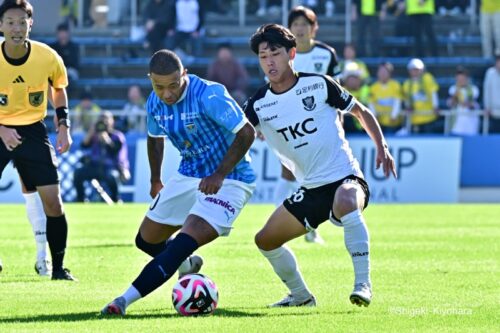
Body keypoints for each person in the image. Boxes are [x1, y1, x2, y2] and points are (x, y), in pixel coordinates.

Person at [244, 24, 397, 308]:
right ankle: (301, 296)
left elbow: (361, 112)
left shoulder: (319, 84)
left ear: (291, 54)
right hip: (312, 189)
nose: (269, 62)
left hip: (345, 177)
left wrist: (382, 146)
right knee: (265, 240)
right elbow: (238, 136)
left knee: (347, 199)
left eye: (274, 54)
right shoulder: (258, 104)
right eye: (263, 56)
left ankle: (363, 284)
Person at [101, 49, 256, 315]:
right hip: (188, 174)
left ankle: (123, 301)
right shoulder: (154, 101)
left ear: (184, 74)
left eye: (174, 85)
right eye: (159, 87)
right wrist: (155, 179)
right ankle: (186, 266)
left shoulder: (209, 94)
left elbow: (247, 132)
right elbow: (154, 138)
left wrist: (219, 174)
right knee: (146, 240)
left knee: (182, 242)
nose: (167, 93)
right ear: (151, 80)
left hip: (232, 178)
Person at [0, 0, 76, 281]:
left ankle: (58, 269)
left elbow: (59, 88)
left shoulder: (47, 56)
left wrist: (63, 125)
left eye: (22, 22)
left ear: (30, 24)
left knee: (53, 203)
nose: (16, 28)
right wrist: (1, 129)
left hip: (33, 131)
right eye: (10, 22)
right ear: (0, 26)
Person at [285, 5, 341, 244]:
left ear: (314, 28)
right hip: (290, 124)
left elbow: (337, 92)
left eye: (304, 25)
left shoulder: (326, 54)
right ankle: (290, 225)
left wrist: (338, 120)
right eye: (295, 25)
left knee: (317, 175)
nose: (300, 29)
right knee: (291, 174)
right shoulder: (284, 54)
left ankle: (310, 226)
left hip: (321, 124)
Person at [73, 111, 130, 203]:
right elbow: (83, 145)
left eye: (107, 119)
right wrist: (91, 132)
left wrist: (107, 140)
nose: (104, 121)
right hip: (94, 166)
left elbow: (116, 151)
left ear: (112, 121)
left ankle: (116, 199)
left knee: (113, 176)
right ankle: (81, 199)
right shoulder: (94, 135)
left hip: (110, 167)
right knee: (78, 173)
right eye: (102, 119)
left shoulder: (117, 136)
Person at [402, 58, 441, 134]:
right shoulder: (407, 84)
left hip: (429, 117)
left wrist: (435, 106)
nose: (415, 72)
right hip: (415, 119)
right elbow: (407, 99)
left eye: (417, 69)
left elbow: (433, 92)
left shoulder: (427, 78)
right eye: (413, 69)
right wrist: (408, 107)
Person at [369, 62, 404, 134]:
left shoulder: (395, 85)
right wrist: (374, 116)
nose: (383, 74)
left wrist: (393, 116)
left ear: (389, 73)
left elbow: (397, 101)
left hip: (393, 123)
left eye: (385, 71)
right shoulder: (373, 87)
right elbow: (371, 103)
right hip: (379, 123)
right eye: (381, 71)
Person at [447, 66, 480, 136]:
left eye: (463, 77)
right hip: (456, 126)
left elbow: (472, 105)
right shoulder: (453, 89)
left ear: (467, 78)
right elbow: (451, 104)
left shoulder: (474, 89)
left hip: (470, 125)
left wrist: (464, 103)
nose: (461, 80)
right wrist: (456, 95)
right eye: (459, 78)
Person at [483, 54, 500, 133]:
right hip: (493, 111)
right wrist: (487, 106)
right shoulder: (490, 73)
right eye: (498, 61)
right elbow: (487, 90)